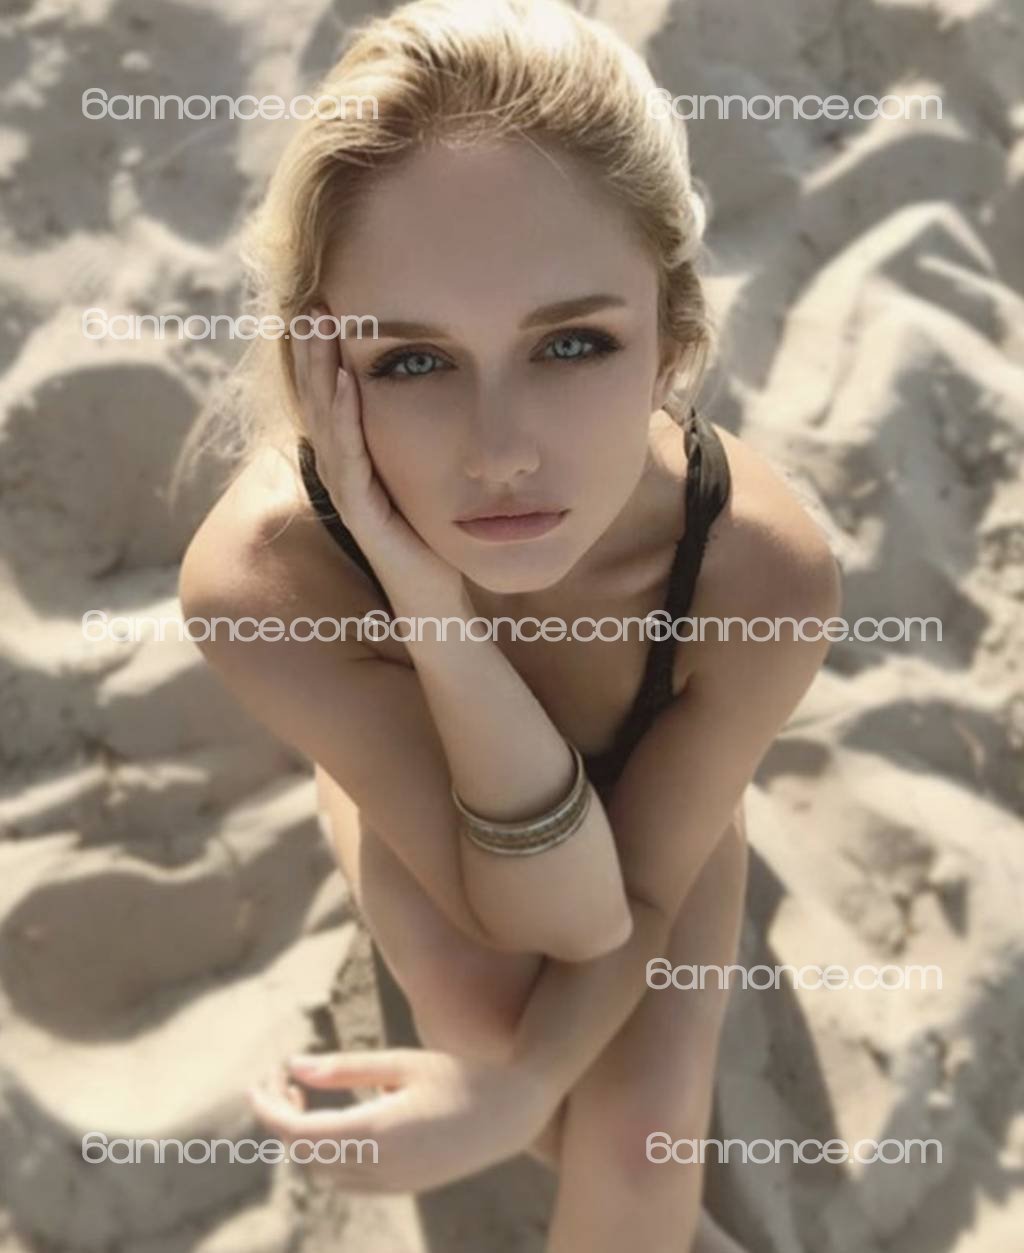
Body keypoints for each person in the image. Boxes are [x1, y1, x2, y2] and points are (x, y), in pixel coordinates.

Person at [176, 0, 840, 1247]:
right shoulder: (270, 580)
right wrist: (432, 618)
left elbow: (619, 903)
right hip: (418, 776)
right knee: (487, 1019)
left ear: (672, 336)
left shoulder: (752, 570)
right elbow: (541, 922)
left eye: (572, 342)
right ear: (321, 364)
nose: (500, 454)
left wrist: (525, 1091)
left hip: (659, 805)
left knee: (634, 1144)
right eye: (412, 360)